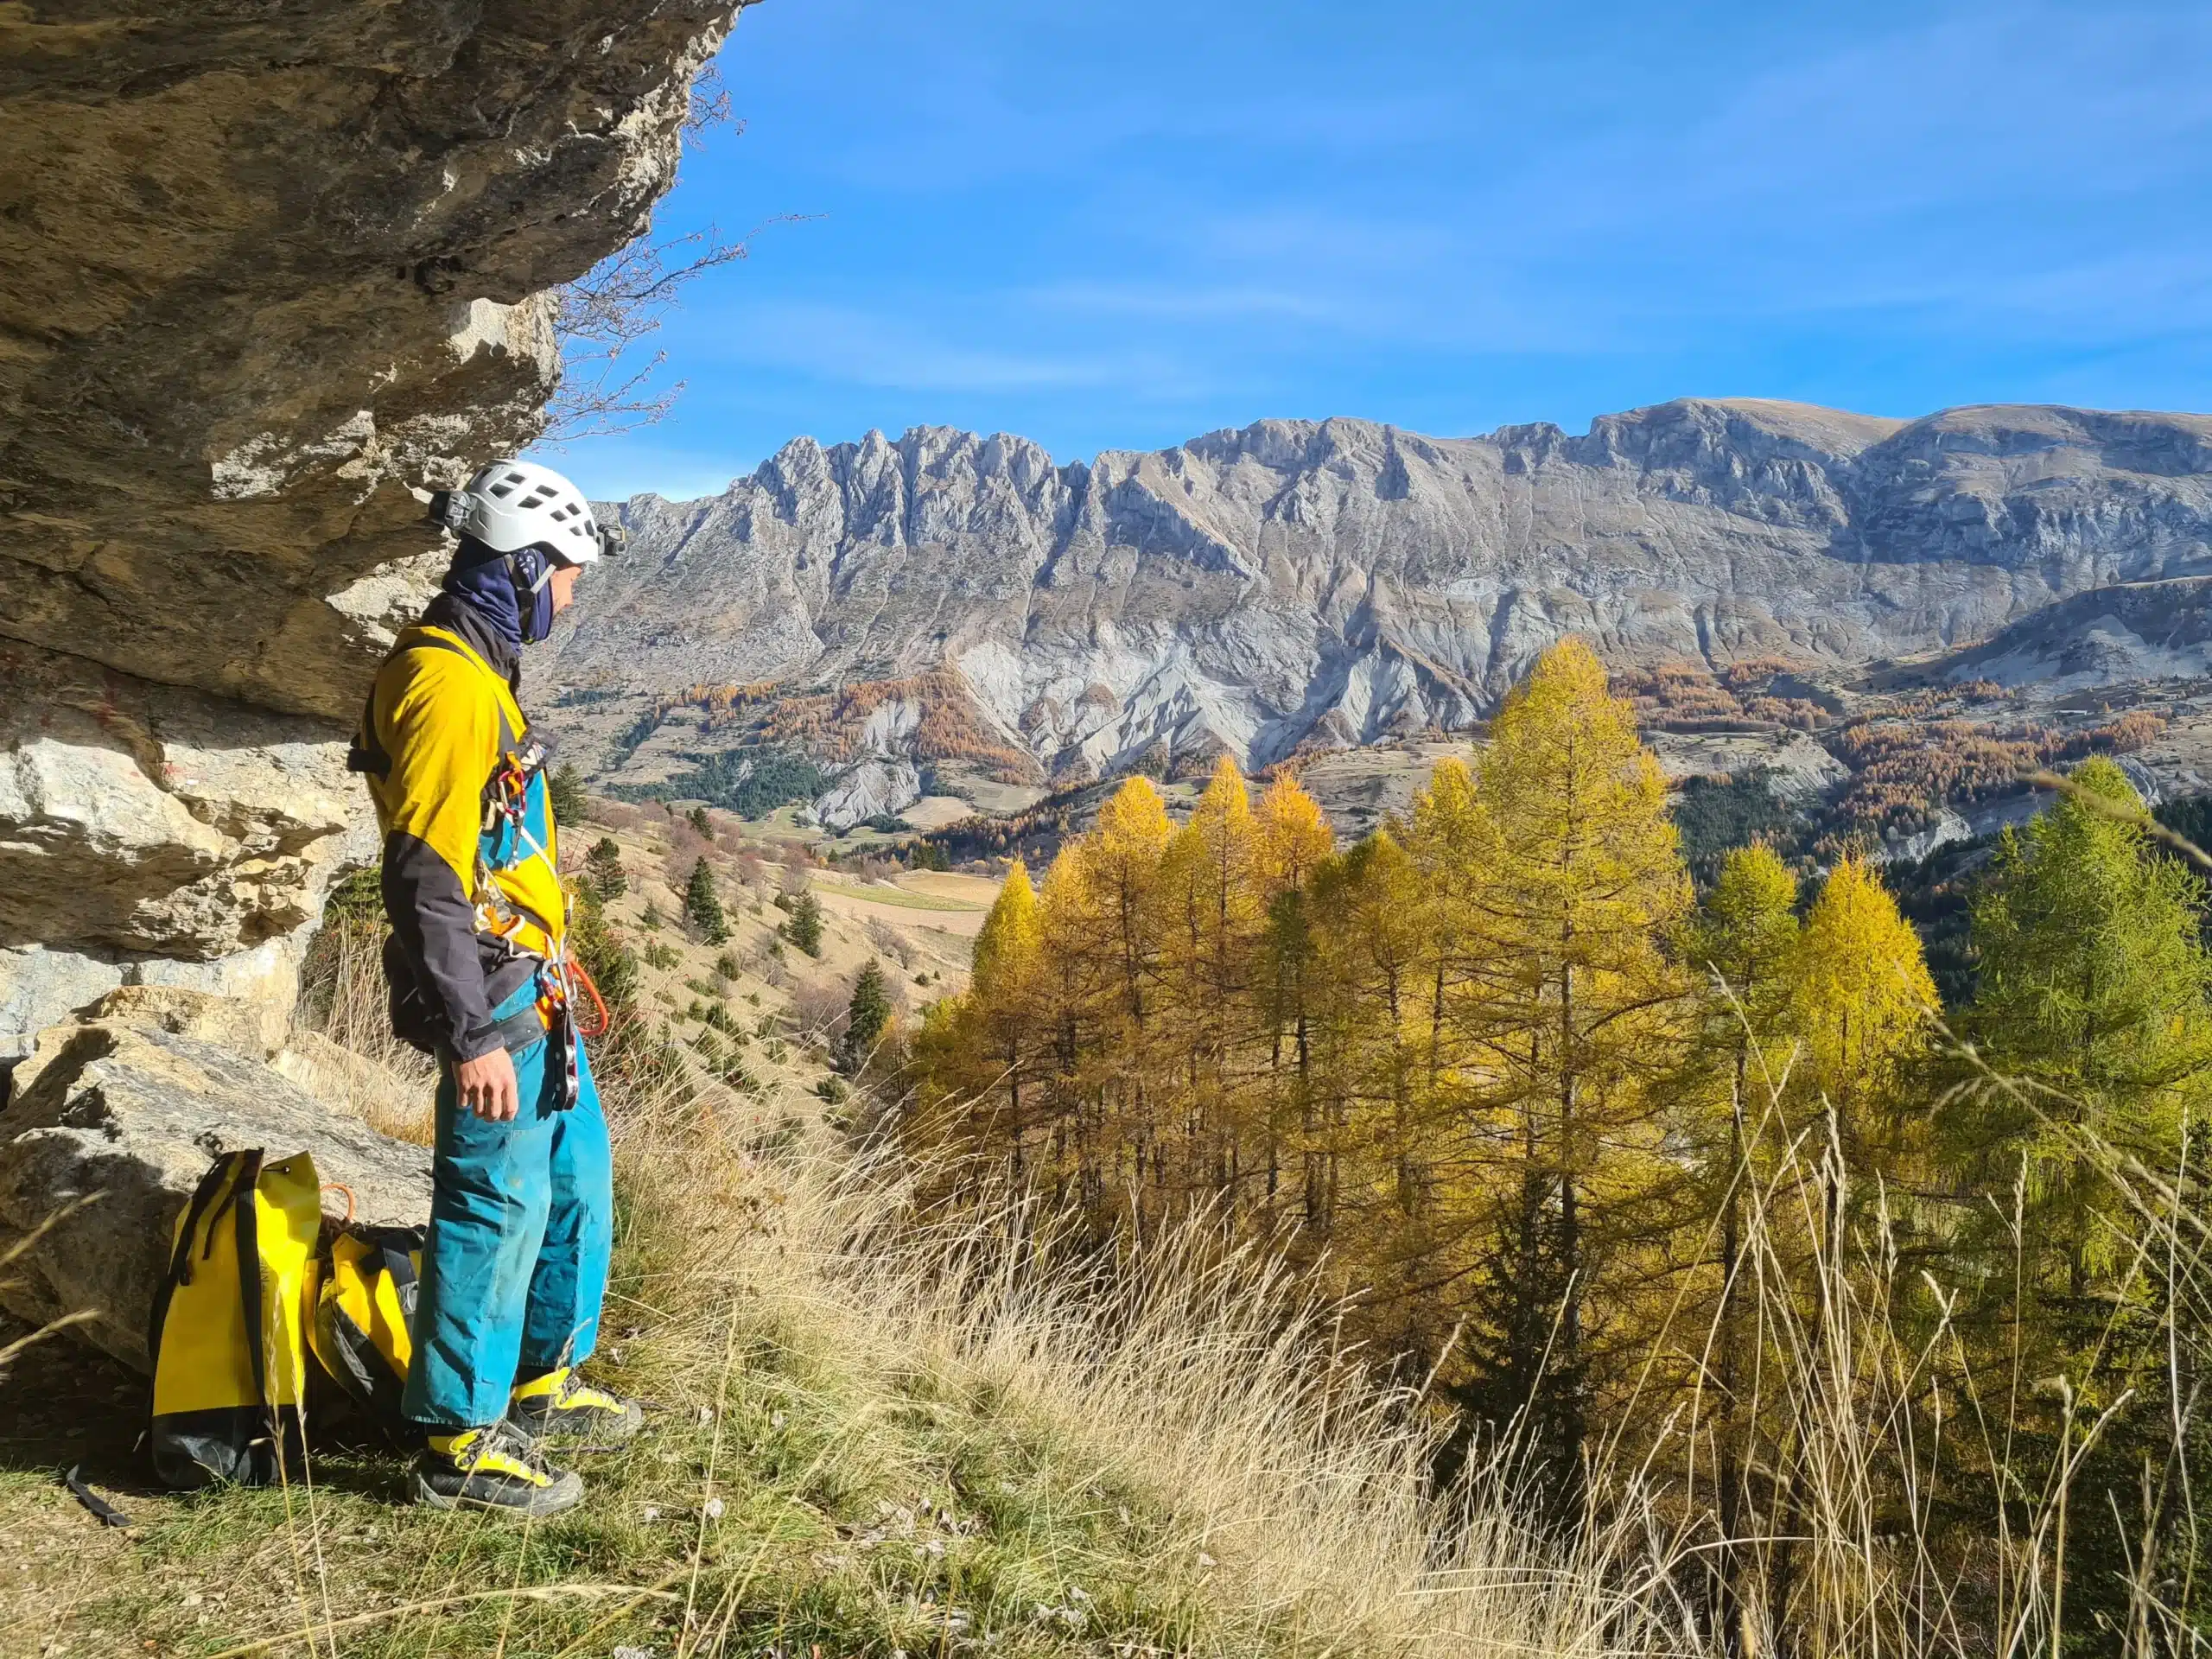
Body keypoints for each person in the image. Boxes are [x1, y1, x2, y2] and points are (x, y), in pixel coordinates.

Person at [350, 458, 638, 1515]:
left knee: (574, 1187)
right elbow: (423, 868)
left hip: (533, 988)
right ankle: (458, 1441)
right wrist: (468, 1035)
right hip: (491, 997)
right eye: (565, 574)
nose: (569, 595)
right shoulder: (446, 683)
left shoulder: (480, 671)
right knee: (492, 1202)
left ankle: (543, 1382)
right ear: (524, 567)